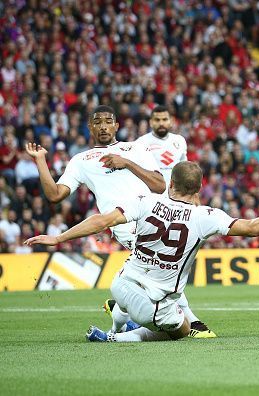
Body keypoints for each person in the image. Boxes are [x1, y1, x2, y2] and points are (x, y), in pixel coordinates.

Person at [25, 161, 259, 342]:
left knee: (138, 303)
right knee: (182, 330)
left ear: (170, 183)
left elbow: (102, 220)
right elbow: (253, 227)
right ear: (199, 188)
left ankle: (119, 312)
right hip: (154, 299)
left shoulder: (144, 200)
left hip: (121, 283)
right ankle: (116, 337)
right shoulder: (205, 215)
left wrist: (59, 237)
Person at [25, 105, 212, 337]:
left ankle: (118, 324)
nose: (103, 126)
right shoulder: (81, 160)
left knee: (145, 276)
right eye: (98, 122)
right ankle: (193, 323)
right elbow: (55, 195)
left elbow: (159, 184)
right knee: (160, 267)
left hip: (156, 215)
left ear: (116, 126)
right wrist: (41, 160)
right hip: (123, 223)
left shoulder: (135, 148)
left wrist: (127, 163)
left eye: (108, 121)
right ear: (91, 127)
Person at [136, 105, 187, 187]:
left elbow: (184, 167)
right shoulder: (141, 142)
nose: (161, 123)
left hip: (175, 190)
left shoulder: (180, 140)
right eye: (157, 120)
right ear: (151, 122)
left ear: (171, 121)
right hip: (151, 191)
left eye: (165, 119)